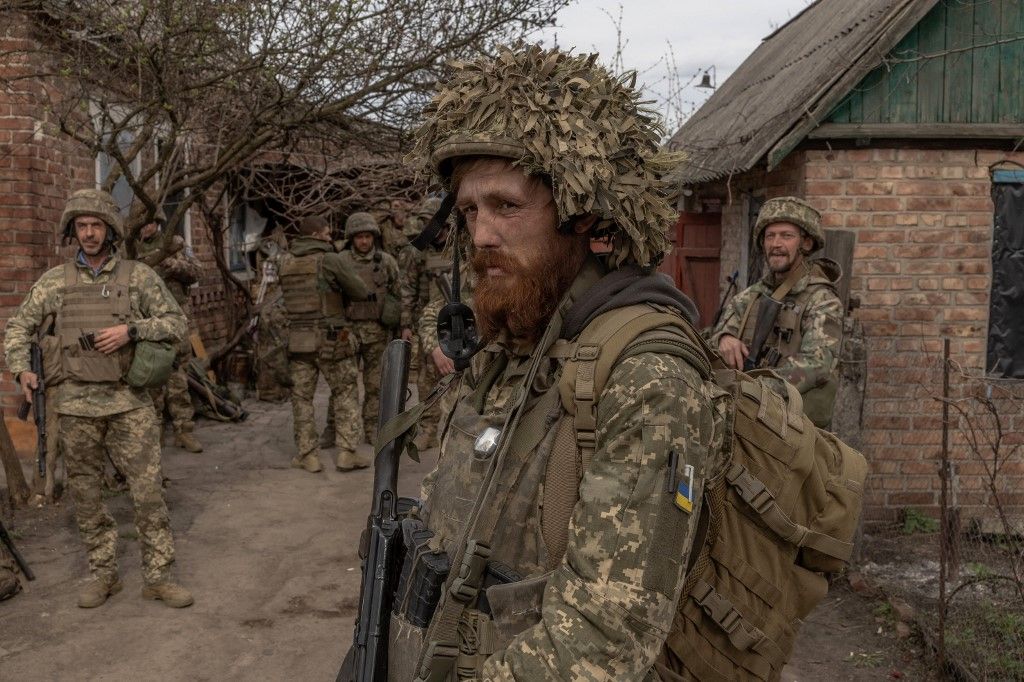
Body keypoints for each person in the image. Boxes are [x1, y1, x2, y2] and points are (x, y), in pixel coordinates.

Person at [386, 44, 723, 679]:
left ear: (580, 215)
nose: (483, 234)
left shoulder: (645, 375)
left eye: (507, 207)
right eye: (469, 211)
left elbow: (605, 638)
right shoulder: (512, 347)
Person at [4, 188, 193, 609]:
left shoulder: (137, 276)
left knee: (147, 494)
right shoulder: (55, 282)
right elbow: (18, 327)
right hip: (74, 405)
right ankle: (104, 575)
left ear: (110, 231)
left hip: (130, 404)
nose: (89, 233)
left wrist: (132, 331)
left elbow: (176, 323)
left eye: (96, 226)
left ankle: (159, 577)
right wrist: (22, 369)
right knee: (87, 497)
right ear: (73, 231)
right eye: (82, 226)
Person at [711, 196, 843, 427]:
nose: (776, 243)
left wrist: (757, 387)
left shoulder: (822, 300)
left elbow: (818, 364)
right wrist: (725, 338)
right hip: (748, 421)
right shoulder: (749, 297)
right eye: (770, 236)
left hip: (798, 429)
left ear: (806, 244)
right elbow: (714, 344)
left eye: (786, 236)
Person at [278, 216, 370, 472]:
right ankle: (346, 453)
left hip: (298, 341)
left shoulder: (284, 261)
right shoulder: (329, 259)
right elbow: (360, 291)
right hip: (332, 339)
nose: (331, 238)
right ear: (318, 235)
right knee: (345, 392)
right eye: (328, 234)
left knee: (301, 398)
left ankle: (308, 455)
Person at [133, 206, 204, 452]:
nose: (146, 227)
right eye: (142, 223)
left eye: (150, 222)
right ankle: (155, 433)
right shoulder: (131, 249)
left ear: (158, 222)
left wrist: (174, 265)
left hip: (176, 321)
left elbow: (197, 272)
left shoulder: (175, 243)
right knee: (151, 382)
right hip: (148, 323)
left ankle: (184, 430)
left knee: (178, 380)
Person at [337, 212, 401, 445]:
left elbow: (398, 293)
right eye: (359, 237)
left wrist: (399, 322)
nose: (364, 241)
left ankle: (372, 427)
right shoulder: (341, 261)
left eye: (367, 236)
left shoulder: (386, 261)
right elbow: (332, 298)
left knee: (375, 385)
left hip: (377, 332)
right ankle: (337, 429)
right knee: (343, 384)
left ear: (374, 236)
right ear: (351, 238)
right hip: (348, 333)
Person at [397, 196, 452, 450]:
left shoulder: (460, 246)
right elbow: (407, 289)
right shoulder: (416, 251)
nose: (434, 228)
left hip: (455, 321)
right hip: (426, 322)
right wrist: (406, 324)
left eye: (437, 222)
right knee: (425, 381)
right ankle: (428, 429)